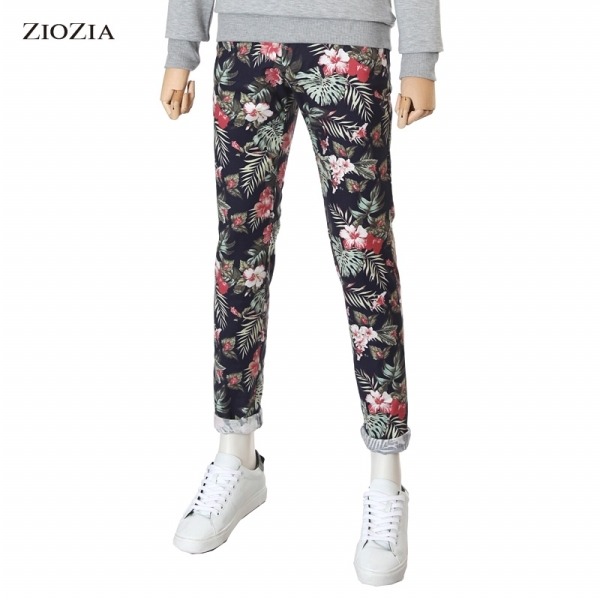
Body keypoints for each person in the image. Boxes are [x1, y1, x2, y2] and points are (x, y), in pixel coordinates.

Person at [160, 0, 442, 587]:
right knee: (240, 254)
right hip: (245, 43)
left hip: (352, 42)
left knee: (365, 258)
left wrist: (420, 56)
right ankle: (236, 454)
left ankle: (386, 477)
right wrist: (180, 49)